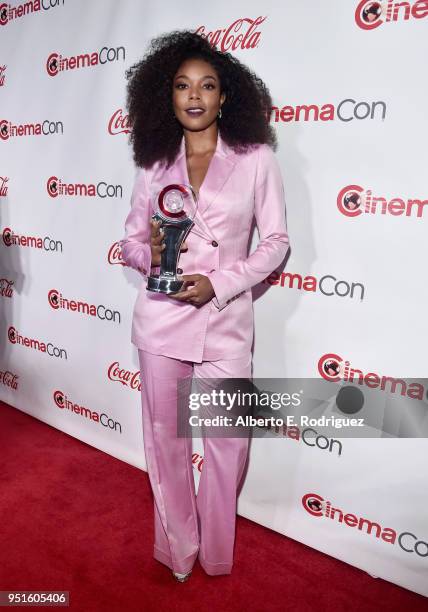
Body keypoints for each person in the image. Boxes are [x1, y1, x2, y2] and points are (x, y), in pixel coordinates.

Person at [120, 30, 290, 582]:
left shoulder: (257, 158)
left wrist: (219, 283)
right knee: (165, 445)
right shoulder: (153, 163)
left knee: (227, 448)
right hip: (162, 320)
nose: (194, 95)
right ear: (165, 97)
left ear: (225, 97)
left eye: (207, 85)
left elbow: (276, 242)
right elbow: (129, 241)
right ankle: (177, 550)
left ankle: (216, 554)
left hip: (225, 322)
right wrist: (157, 261)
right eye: (182, 85)